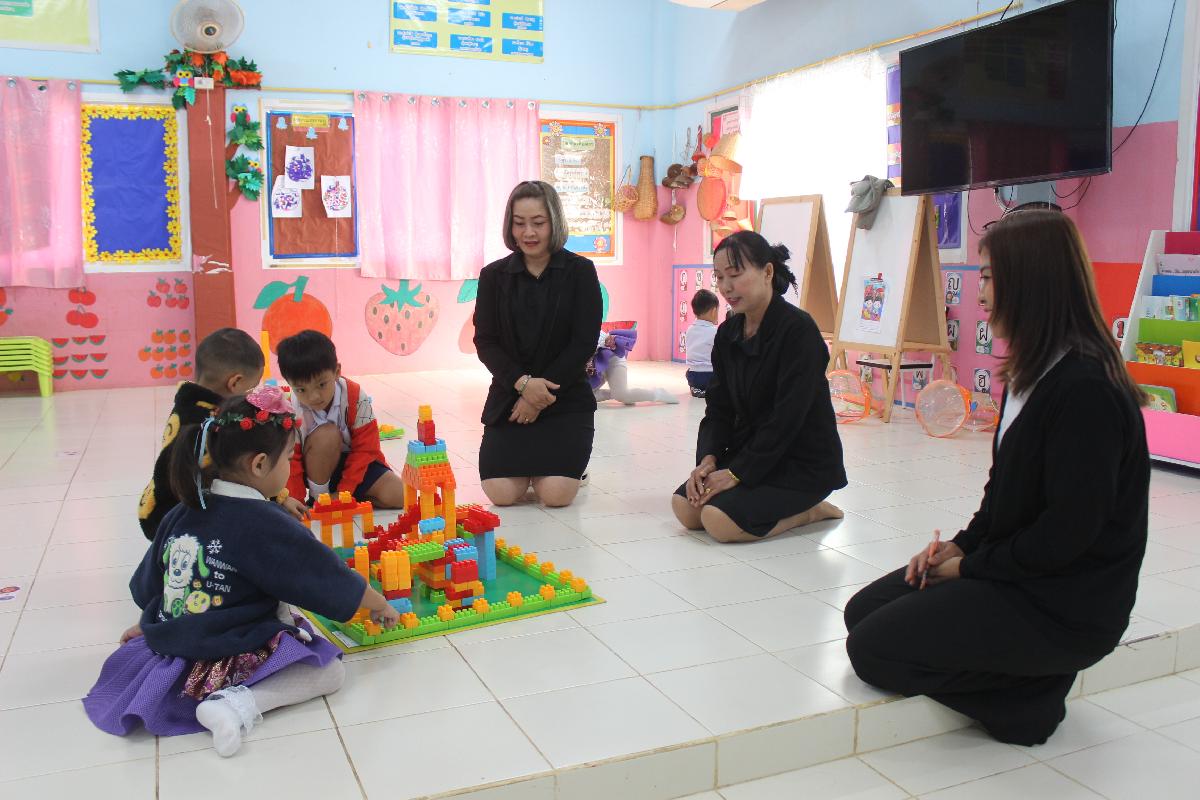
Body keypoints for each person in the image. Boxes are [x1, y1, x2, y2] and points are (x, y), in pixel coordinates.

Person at [843, 210, 1150, 747]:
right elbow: (1001, 496)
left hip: (1063, 604)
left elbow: (1067, 534)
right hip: (1020, 573)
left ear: (1031, 281)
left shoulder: (1086, 391)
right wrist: (959, 547)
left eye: (988, 277)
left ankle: (1029, 699)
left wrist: (970, 568)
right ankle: (1021, 677)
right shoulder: (1031, 372)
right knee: (862, 611)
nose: (980, 293)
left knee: (871, 649)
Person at [84, 388, 400, 757]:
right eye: (288, 458)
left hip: (174, 639)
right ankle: (235, 704)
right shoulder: (264, 521)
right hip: (224, 648)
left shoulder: (185, 508)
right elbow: (323, 573)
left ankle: (217, 693)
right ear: (260, 464)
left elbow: (153, 580)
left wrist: (153, 620)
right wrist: (378, 604)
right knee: (329, 671)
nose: (290, 467)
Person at [672, 232, 846, 543]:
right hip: (752, 452)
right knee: (686, 508)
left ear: (767, 272)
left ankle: (810, 511)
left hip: (800, 462)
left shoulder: (799, 331)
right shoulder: (728, 333)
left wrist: (738, 472)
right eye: (719, 277)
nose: (726, 287)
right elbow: (719, 408)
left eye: (735, 274)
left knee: (719, 522)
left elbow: (787, 418)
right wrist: (708, 459)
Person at [473, 180, 603, 508]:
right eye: (519, 223)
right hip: (510, 396)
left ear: (554, 222)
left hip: (564, 397)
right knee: (501, 493)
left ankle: (573, 471)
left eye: (538, 223)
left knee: (556, 495)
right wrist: (522, 384)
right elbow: (485, 341)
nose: (528, 232)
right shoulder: (493, 276)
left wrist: (537, 396)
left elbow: (583, 342)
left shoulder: (580, 272)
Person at [138, 328, 306, 538]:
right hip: (174, 520)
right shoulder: (216, 423)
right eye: (250, 389)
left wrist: (280, 498)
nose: (251, 397)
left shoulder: (189, 403)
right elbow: (245, 473)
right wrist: (278, 499)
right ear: (234, 383)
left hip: (156, 506)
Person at [276, 330, 405, 507]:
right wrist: (296, 500)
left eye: (321, 384)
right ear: (289, 384)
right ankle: (320, 499)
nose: (313, 397)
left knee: (401, 495)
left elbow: (366, 449)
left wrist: (345, 491)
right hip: (316, 467)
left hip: (356, 466)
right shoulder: (291, 408)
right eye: (301, 390)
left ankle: (343, 497)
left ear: (337, 372)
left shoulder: (354, 396)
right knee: (327, 435)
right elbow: (292, 459)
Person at [591, 327, 678, 405]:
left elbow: (604, 340)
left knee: (623, 395)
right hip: (596, 363)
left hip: (612, 357)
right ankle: (616, 393)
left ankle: (658, 394)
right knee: (585, 395)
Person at [685, 289, 719, 397]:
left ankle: (696, 388)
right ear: (714, 311)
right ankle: (708, 390)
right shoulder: (715, 331)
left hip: (693, 376)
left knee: (689, 371)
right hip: (711, 376)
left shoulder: (690, 330)